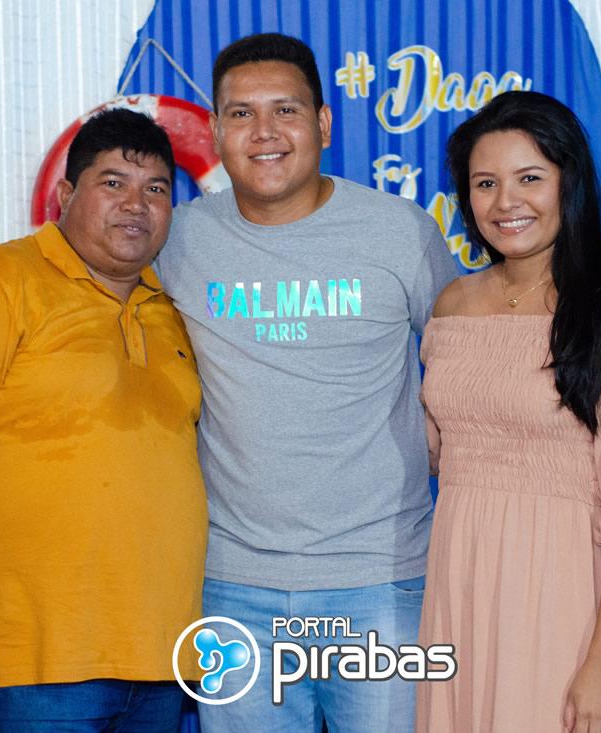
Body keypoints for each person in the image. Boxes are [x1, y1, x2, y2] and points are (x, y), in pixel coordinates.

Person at [153, 32, 458, 732]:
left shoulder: (399, 231)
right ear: (215, 131)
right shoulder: (178, 240)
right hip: (232, 589)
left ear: (323, 123)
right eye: (241, 113)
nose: (263, 132)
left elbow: (465, 364)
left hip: (381, 581)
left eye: (284, 110)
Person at [0, 108, 207, 732]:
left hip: (165, 662)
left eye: (155, 189)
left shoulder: (174, 310)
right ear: (65, 195)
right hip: (28, 665)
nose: (136, 205)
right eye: (113, 182)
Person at [415, 91, 601, 732]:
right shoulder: (453, 304)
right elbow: (437, 451)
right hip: (459, 584)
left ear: (570, 182)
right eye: (485, 183)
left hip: (565, 596)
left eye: (530, 178)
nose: (506, 202)